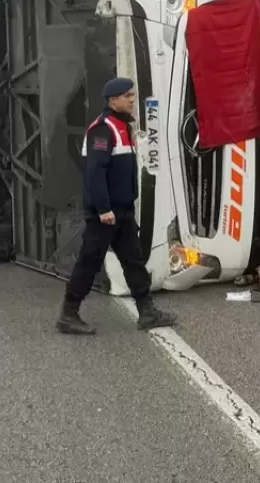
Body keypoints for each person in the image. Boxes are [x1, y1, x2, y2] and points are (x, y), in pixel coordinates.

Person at [60, 77, 177, 335]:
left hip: (121, 212)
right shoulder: (102, 129)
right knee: (89, 262)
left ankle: (147, 311)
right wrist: (103, 209)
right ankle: (69, 314)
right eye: (128, 97)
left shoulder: (122, 127)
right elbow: (95, 172)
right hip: (105, 214)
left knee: (133, 262)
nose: (133, 101)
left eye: (133, 96)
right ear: (113, 100)